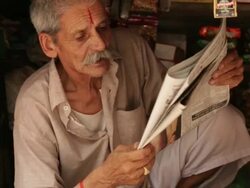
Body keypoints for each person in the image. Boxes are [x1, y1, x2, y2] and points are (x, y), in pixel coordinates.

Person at [13, 0, 250, 188]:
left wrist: (214, 82)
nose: (100, 44)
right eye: (81, 36)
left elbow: (174, 110)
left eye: (103, 28)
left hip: (147, 178)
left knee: (225, 122)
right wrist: (104, 180)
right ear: (49, 45)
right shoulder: (34, 104)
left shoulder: (130, 48)